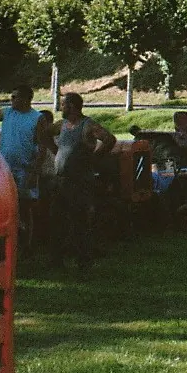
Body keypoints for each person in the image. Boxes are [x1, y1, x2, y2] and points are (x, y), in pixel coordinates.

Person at [51, 92, 115, 270]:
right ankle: (58, 259)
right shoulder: (62, 125)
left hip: (79, 181)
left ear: (71, 106)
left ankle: (84, 259)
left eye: (63, 104)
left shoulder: (88, 126)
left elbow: (109, 139)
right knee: (58, 220)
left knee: (80, 220)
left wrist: (94, 158)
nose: (61, 108)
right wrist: (56, 151)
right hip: (61, 179)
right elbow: (45, 133)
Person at [0, 85, 51, 248]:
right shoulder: (7, 113)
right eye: (11, 97)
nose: (12, 100)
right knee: (7, 206)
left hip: (25, 170)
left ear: (25, 99)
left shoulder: (36, 119)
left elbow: (43, 148)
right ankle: (9, 243)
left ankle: (26, 244)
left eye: (15, 97)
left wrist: (34, 172)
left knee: (25, 207)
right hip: (6, 168)